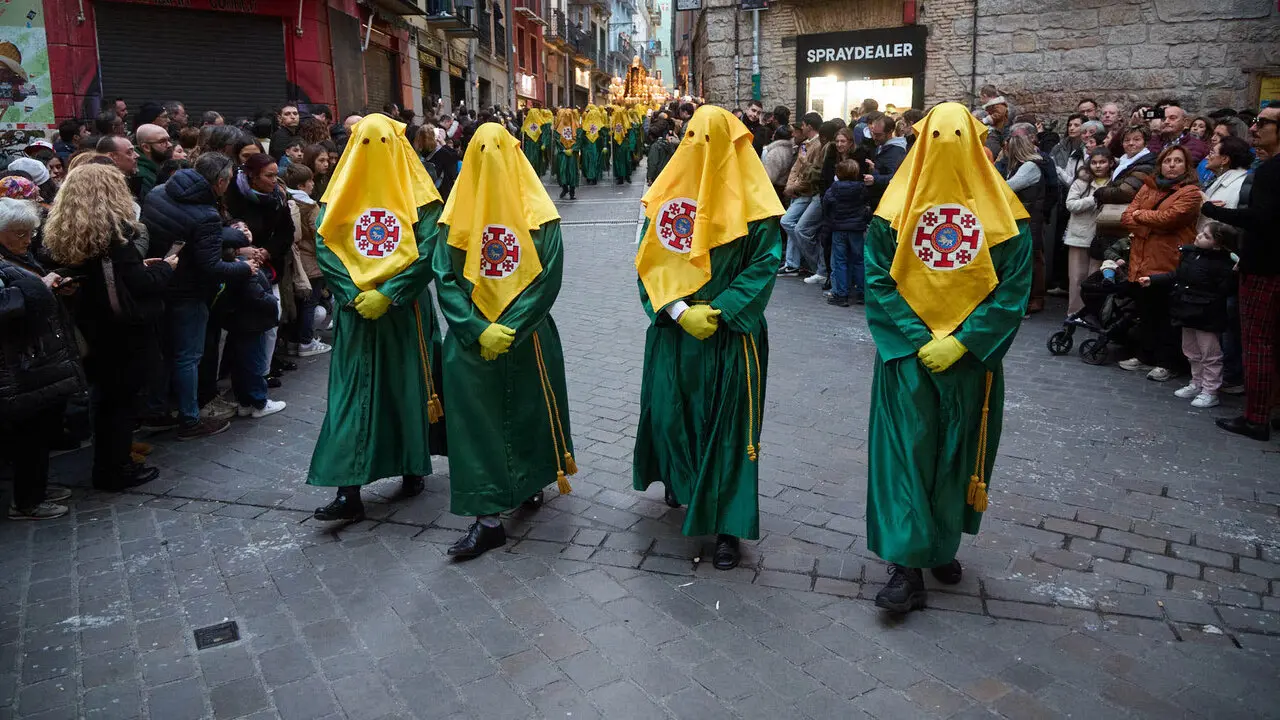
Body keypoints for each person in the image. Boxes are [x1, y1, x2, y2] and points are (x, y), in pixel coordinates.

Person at [863, 102, 1032, 613]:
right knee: (905, 454)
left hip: (967, 362)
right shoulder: (891, 216)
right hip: (910, 361)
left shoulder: (1006, 219)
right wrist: (919, 338)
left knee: (957, 453)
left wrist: (962, 341)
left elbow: (1013, 290)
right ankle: (905, 563)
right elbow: (878, 280)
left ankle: (939, 543)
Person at [632, 106, 783, 570]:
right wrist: (678, 311)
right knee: (673, 417)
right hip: (677, 339)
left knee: (729, 431)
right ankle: (685, 481)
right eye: (694, 138)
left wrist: (719, 310)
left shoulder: (756, 210)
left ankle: (727, 526)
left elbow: (764, 265)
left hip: (730, 340)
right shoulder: (664, 203)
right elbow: (647, 266)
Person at [433, 123, 573, 557]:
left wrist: (505, 328)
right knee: (476, 429)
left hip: (524, 339)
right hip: (476, 342)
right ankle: (488, 518)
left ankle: (529, 482)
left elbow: (547, 279)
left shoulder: (542, 216)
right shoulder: (453, 220)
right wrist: (479, 329)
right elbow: (445, 277)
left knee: (528, 415)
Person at [307, 114, 447, 520]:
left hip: (406, 315)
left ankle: (412, 467)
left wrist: (390, 293)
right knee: (353, 396)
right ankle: (347, 489)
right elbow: (326, 246)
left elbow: (429, 248)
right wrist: (353, 294)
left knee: (408, 390)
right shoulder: (337, 198)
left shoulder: (422, 197)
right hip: (358, 316)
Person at [42, 164, 172, 489]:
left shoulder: (65, 234)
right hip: (121, 333)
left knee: (106, 399)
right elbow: (138, 285)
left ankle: (113, 458)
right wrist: (167, 268)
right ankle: (115, 467)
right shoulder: (112, 240)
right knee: (120, 401)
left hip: (90, 329)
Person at [140, 153, 257, 439]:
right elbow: (210, 265)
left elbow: (188, 234)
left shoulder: (158, 193)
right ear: (219, 182)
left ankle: (156, 411)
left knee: (163, 353)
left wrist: (232, 234)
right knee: (187, 356)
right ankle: (190, 419)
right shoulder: (204, 214)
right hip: (187, 292)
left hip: (156, 283)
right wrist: (244, 268)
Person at [1201, 104, 1280, 440]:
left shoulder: (1269, 171)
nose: (1254, 128)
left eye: (1262, 123)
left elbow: (1264, 220)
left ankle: (1256, 417)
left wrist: (1215, 212)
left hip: (1265, 265)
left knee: (1258, 343)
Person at [1119, 145, 1202, 382]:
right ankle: (1145, 355)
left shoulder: (1190, 192)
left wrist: (1140, 216)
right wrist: (1142, 218)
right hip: (1142, 259)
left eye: (1177, 161)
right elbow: (1126, 217)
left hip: (1169, 260)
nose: (1172, 165)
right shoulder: (1148, 186)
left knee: (1167, 316)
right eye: (1168, 161)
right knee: (1146, 312)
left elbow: (1170, 219)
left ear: (1186, 166)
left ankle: (1167, 362)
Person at [1138, 221, 1239, 409]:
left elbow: (1225, 289)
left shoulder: (1223, 264)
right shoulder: (1191, 255)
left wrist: (1233, 275)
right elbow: (1178, 275)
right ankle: (1196, 382)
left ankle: (1210, 390)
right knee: (1191, 350)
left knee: (1210, 353)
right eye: (1201, 233)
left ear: (1218, 243)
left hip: (1207, 313)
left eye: (1206, 236)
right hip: (1187, 309)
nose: (1199, 236)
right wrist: (1153, 280)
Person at [282, 163, 328, 357]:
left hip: (292, 259)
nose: (312, 184)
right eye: (309, 181)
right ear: (301, 185)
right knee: (310, 302)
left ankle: (292, 341)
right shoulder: (310, 206)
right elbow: (319, 233)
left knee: (297, 304)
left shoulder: (285, 199)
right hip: (310, 261)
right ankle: (306, 342)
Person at [1063, 147, 1115, 315]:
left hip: (1101, 235)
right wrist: (1093, 199)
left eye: (1102, 162)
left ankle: (1091, 313)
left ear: (1110, 163)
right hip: (1079, 234)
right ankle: (1075, 312)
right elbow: (1071, 204)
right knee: (1076, 277)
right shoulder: (1081, 182)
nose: (1098, 166)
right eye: (1094, 162)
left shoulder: (1114, 182)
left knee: (1095, 276)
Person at [1004, 125, 1049, 313]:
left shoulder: (1030, 167)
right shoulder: (1022, 166)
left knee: (1033, 257)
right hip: (1026, 218)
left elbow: (1009, 187)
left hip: (1031, 219)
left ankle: (1036, 298)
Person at [778, 112, 826, 280]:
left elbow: (810, 173)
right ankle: (793, 263)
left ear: (809, 126)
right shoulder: (805, 144)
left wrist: (794, 188)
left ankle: (812, 263)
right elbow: (796, 169)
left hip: (807, 191)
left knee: (791, 224)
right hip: (799, 190)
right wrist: (790, 186)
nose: (801, 128)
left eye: (803, 125)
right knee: (792, 224)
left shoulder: (818, 145)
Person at [823, 157, 871, 307]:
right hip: (856, 229)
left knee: (840, 261)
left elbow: (826, 204)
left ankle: (841, 294)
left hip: (839, 229)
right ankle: (862, 293)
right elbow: (866, 203)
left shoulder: (834, 189)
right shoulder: (861, 188)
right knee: (859, 260)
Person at [1198, 136, 1252, 230]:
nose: (1207, 157)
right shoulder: (1224, 180)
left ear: (1224, 160)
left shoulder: (1237, 186)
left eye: (1212, 153)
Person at [133, 123, 174, 202]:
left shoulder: (163, 165)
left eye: (169, 140)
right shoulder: (140, 175)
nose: (170, 145)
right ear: (146, 147)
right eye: (162, 141)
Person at [760, 125, 795, 200]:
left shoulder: (775, 153)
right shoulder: (791, 150)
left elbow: (770, 177)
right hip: (784, 188)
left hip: (774, 191)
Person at [553, 108, 580, 200]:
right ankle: (564, 188)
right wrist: (563, 150)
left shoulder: (576, 127)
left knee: (572, 172)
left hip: (572, 154)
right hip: (563, 154)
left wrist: (573, 149)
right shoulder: (558, 128)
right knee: (562, 171)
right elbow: (557, 140)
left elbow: (579, 139)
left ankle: (572, 191)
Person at [645, 119, 676, 185]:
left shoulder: (655, 146)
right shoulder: (670, 143)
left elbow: (652, 163)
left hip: (658, 176)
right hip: (669, 175)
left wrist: (650, 177)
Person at [581, 106, 606, 185]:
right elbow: (604, 135)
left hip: (588, 147)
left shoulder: (585, 126)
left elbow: (581, 136)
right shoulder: (600, 126)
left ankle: (589, 176)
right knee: (595, 161)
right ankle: (594, 176)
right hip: (595, 147)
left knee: (588, 161)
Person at [610, 106, 633, 184]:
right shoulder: (627, 123)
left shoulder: (622, 123)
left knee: (622, 161)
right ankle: (625, 176)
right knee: (625, 161)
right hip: (623, 145)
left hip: (622, 146)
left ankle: (622, 177)